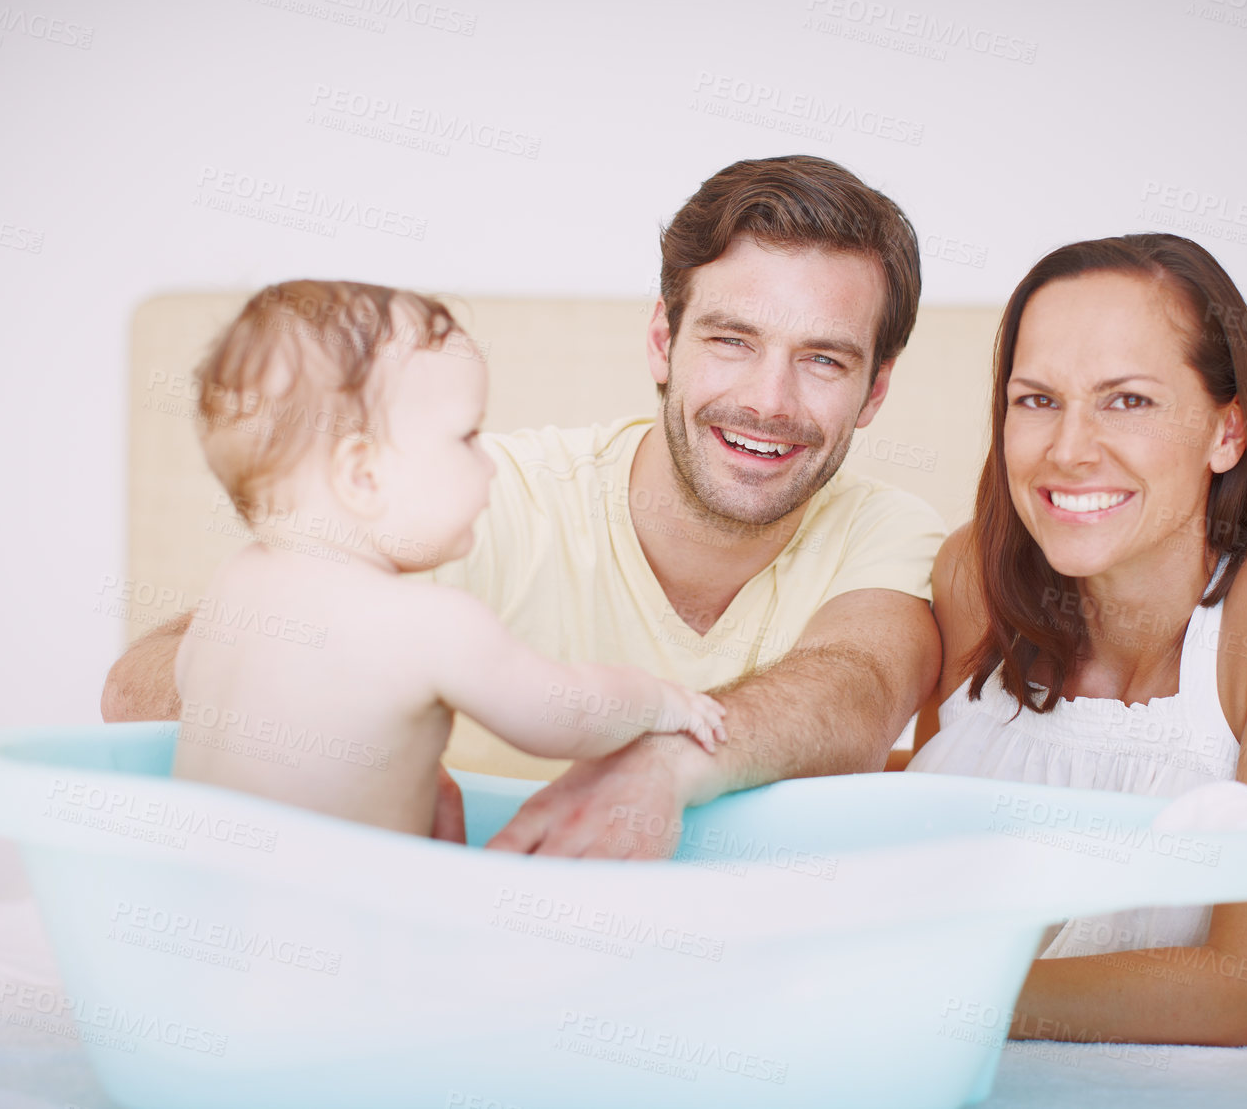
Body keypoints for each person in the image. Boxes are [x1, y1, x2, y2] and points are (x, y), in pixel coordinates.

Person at [102, 155, 946, 855]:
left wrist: (667, 761)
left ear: (875, 392)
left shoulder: (889, 531)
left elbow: (860, 690)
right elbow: (139, 689)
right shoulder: (475, 500)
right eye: (732, 340)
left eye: (824, 361)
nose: (768, 400)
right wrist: (357, 744)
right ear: (663, 340)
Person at [908, 233, 1247, 1045]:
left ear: (1228, 432)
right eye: (1036, 400)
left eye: (1128, 401)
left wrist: (916, 992)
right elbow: (939, 847)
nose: (1069, 451)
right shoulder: (974, 573)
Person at [169, 280, 725, 836]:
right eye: (468, 438)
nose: (490, 465)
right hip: (335, 920)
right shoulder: (429, 621)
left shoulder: (234, 586)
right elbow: (562, 712)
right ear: (363, 475)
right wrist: (655, 700)